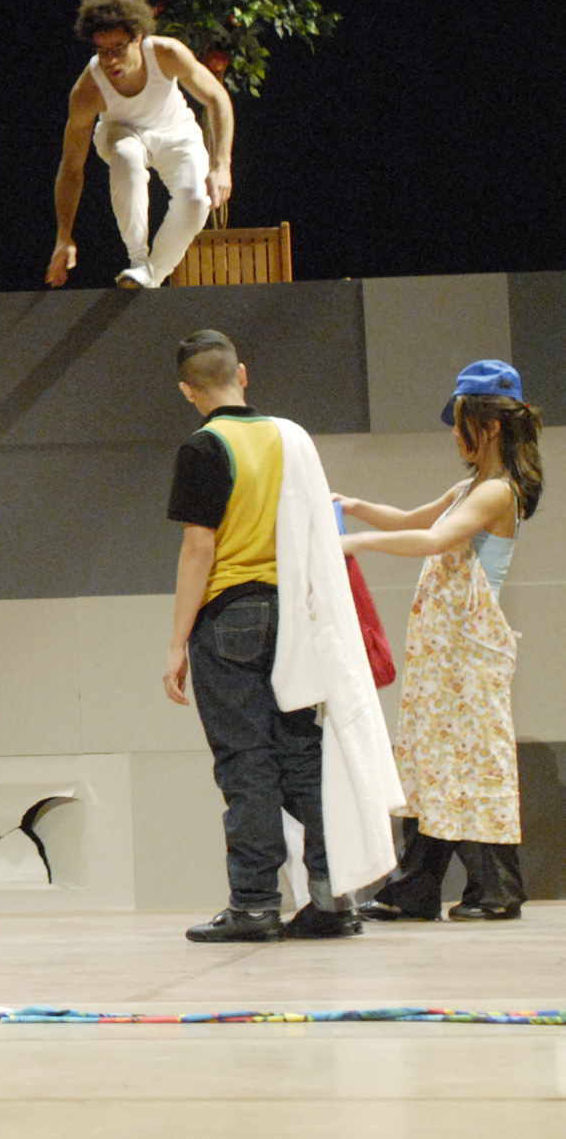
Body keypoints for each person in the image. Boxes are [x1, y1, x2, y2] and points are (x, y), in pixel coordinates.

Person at [165, 329, 398, 943]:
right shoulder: (291, 436)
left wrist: (176, 642)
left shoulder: (203, 447)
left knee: (245, 762)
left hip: (229, 617)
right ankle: (332, 900)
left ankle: (254, 905)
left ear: (187, 390)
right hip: (292, 617)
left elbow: (199, 548)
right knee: (300, 757)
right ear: (243, 374)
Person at [341, 360, 543, 922]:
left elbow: (433, 539)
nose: (455, 433)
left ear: (491, 425)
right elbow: (411, 517)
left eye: (462, 421)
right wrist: (353, 506)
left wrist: (356, 543)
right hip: (444, 653)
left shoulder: (498, 492)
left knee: (476, 761)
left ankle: (498, 889)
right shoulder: (469, 487)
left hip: (470, 653)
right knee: (431, 759)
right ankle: (415, 889)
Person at [45, 0, 236, 290]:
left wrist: (222, 165)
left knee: (197, 201)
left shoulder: (166, 54)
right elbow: (71, 167)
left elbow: (217, 98)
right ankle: (138, 259)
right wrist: (63, 237)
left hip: (175, 132)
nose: (111, 61)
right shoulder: (88, 90)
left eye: (118, 49)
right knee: (126, 155)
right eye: (103, 52)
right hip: (121, 131)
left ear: (138, 38)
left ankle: (149, 279)